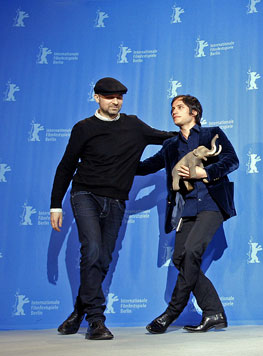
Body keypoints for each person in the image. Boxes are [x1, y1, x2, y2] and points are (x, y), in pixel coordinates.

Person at [50, 77, 175, 340]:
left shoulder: (133, 125)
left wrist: (199, 134)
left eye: (119, 97)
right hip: (85, 194)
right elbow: (66, 166)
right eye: (109, 97)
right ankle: (96, 321)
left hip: (117, 200)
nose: (115, 101)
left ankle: (79, 311)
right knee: (92, 249)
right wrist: (55, 206)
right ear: (97, 98)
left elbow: (167, 138)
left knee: (104, 258)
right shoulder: (83, 128)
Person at [137, 94, 238, 334]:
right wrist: (117, 158)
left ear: (194, 112)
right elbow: (145, 167)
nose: (174, 111)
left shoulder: (211, 134)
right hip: (186, 208)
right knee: (181, 259)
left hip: (211, 204)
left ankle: (171, 313)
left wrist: (202, 173)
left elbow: (232, 160)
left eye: (179, 107)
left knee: (192, 251)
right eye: (172, 108)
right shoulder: (170, 145)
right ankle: (213, 312)